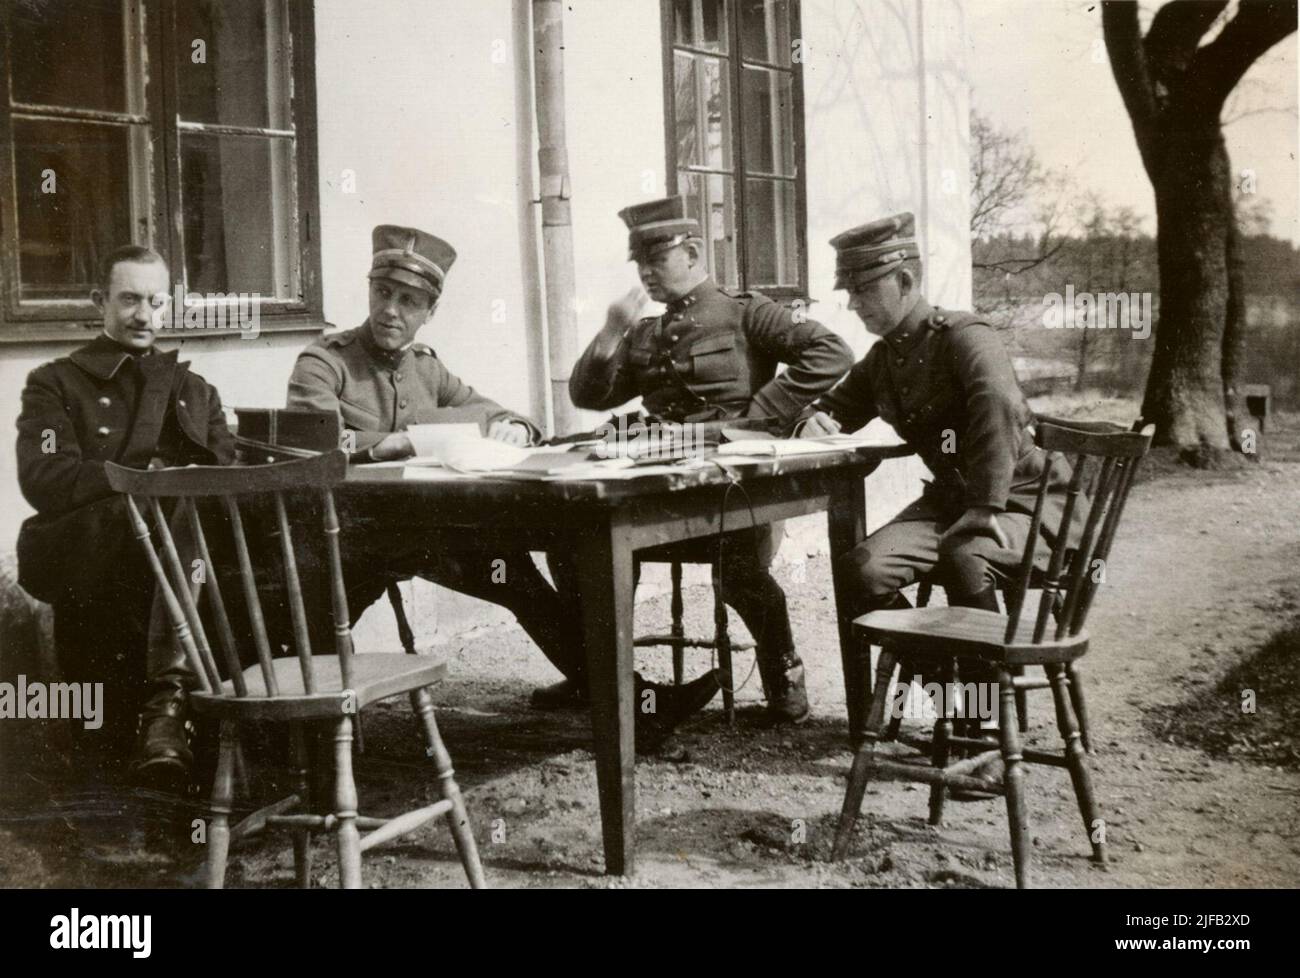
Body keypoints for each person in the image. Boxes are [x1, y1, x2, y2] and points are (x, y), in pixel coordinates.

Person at [285, 224, 718, 744]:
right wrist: (403, 441)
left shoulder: (425, 369)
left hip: (413, 535)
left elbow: (495, 410)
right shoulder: (325, 361)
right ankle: (628, 697)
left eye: (408, 301)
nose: (391, 311)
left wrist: (514, 426)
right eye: (383, 293)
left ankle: (633, 700)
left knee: (517, 578)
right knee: (307, 626)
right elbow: (313, 446)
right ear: (369, 291)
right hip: (342, 540)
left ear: (429, 312)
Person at [796, 213, 1085, 765]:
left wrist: (986, 504)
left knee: (963, 556)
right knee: (862, 570)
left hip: (1025, 501)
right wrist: (817, 418)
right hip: (951, 506)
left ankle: (978, 732)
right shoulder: (884, 360)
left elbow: (999, 407)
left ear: (905, 282)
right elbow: (836, 405)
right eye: (849, 291)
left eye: (863, 290)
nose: (854, 304)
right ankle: (952, 688)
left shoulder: (966, 337)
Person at [558, 195, 855, 724]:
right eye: (639, 263)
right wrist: (610, 332)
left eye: (656, 260)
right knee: (579, 547)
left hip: (729, 489)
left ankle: (785, 678)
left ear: (693, 251)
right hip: (656, 483)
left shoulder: (746, 313)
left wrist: (757, 420)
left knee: (739, 574)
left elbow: (832, 352)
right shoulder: (647, 331)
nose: (645, 273)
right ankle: (599, 678)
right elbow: (588, 396)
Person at [16, 245, 236, 782]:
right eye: (129, 299)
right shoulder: (55, 383)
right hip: (92, 544)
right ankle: (168, 702)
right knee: (178, 501)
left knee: (193, 505)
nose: (144, 316)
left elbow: (228, 473)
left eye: (156, 302)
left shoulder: (193, 389)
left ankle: (178, 711)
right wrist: (144, 480)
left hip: (178, 552)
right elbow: (45, 478)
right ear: (100, 301)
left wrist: (174, 484)